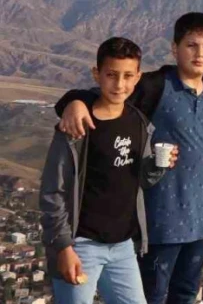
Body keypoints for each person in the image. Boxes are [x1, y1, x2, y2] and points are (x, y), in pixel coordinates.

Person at [53, 13, 203, 304]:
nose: (199, 53)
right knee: (154, 296)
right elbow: (109, 93)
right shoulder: (155, 85)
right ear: (175, 49)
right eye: (191, 45)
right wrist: (73, 102)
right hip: (160, 220)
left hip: (202, 223)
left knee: (186, 294)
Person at [41, 37, 176, 304]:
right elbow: (52, 191)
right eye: (112, 75)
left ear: (138, 77)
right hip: (81, 245)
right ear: (97, 74)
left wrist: (159, 166)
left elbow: (142, 180)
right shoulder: (77, 127)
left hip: (123, 246)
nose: (120, 84)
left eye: (128, 76)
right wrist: (63, 246)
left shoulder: (139, 122)